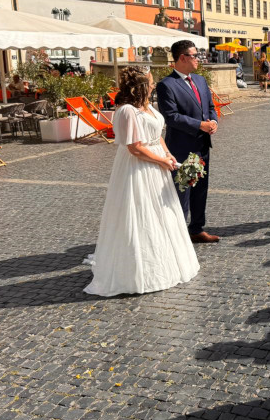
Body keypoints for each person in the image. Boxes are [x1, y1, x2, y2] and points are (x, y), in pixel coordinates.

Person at [84, 67, 200, 297]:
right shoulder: (127, 111)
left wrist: (168, 156)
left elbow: (157, 136)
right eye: (151, 82)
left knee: (161, 213)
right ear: (141, 86)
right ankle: (139, 269)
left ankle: (165, 261)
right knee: (141, 213)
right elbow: (135, 148)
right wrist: (161, 161)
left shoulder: (148, 108)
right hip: (139, 168)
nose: (154, 85)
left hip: (158, 165)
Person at [156, 40, 220, 244]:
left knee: (201, 190)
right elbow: (171, 117)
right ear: (182, 58)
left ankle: (197, 229)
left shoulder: (200, 80)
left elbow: (210, 106)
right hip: (183, 147)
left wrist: (213, 121)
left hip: (202, 145)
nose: (198, 59)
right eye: (195, 55)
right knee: (183, 191)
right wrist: (200, 125)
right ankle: (179, 234)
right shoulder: (167, 85)